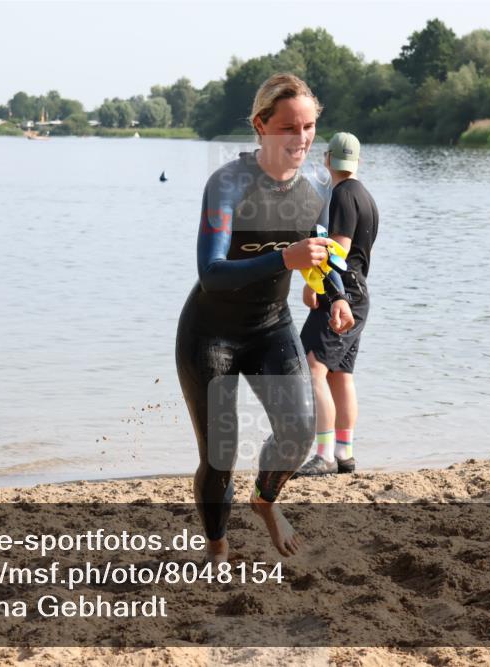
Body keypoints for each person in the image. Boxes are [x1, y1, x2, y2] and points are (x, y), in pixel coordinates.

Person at [175, 74, 355, 564]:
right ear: (260, 125)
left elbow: (319, 257)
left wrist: (335, 295)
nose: (301, 139)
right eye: (289, 128)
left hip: (270, 326)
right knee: (221, 454)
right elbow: (211, 274)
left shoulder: (318, 184)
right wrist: (284, 260)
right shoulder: (228, 184)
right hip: (210, 333)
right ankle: (216, 548)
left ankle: (265, 500)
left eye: (310, 127)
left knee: (299, 431)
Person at [294, 132, 379, 477]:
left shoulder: (341, 196)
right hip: (359, 294)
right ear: (357, 162)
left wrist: (318, 288)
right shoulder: (366, 196)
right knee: (341, 374)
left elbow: (337, 253)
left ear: (328, 160)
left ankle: (325, 454)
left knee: (312, 368)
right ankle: (344, 452)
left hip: (342, 295)